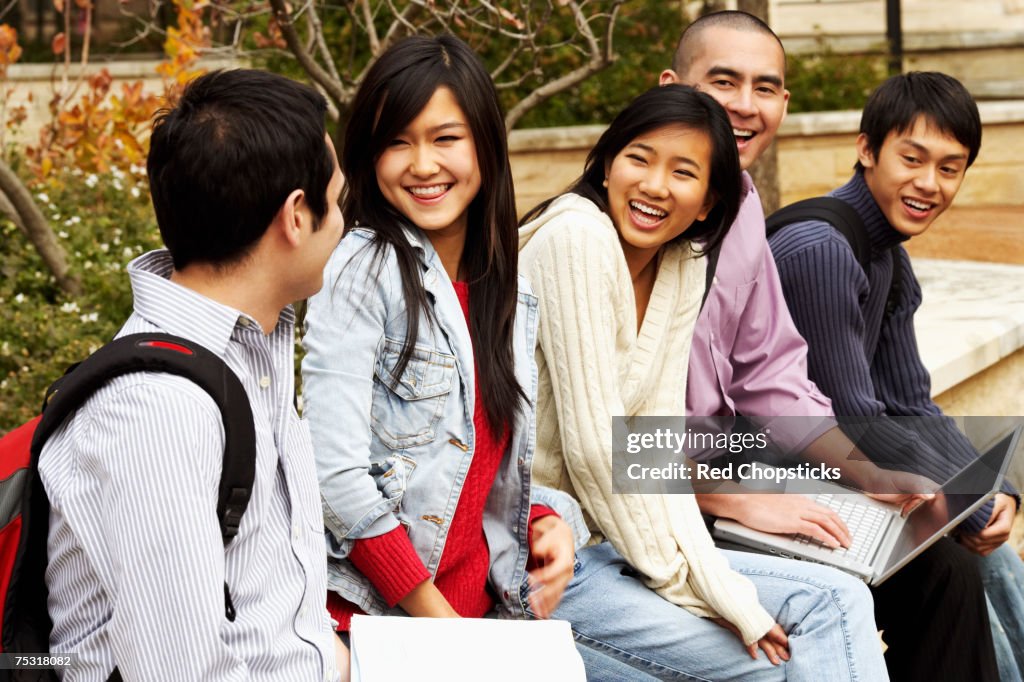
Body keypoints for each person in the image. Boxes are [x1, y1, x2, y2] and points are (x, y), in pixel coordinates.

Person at [660, 11, 1005, 681]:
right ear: (672, 85)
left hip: (731, 477)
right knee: (888, 581)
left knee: (949, 565)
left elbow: (774, 383)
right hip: (662, 502)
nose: (743, 104)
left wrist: (871, 474)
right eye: (723, 81)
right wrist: (727, 494)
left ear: (785, 103)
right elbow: (589, 439)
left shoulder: (740, 213)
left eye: (765, 87)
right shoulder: (619, 223)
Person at [518, 83, 888, 681]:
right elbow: (594, 452)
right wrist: (711, 593)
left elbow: (652, 449)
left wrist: (711, 584)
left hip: (608, 546)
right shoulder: (575, 237)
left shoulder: (682, 262)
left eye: (683, 172)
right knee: (773, 668)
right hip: (540, 556)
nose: (655, 185)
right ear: (607, 165)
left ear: (712, 202)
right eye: (638, 158)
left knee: (841, 600)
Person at [300, 35, 643, 678]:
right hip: (382, 625)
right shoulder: (361, 269)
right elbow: (335, 478)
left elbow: (473, 467)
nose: (422, 163)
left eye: (445, 138)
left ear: (486, 143)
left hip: (491, 611)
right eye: (397, 141)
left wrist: (548, 516)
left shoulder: (502, 285)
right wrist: (449, 635)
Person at [38, 69, 346, 680]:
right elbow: (175, 670)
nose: (343, 222)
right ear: (294, 216)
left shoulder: (252, 354)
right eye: (336, 201)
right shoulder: (159, 411)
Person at [766, 70, 1024, 682]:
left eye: (950, 167)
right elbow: (859, 423)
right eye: (912, 158)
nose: (929, 184)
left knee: (985, 545)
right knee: (961, 552)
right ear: (866, 148)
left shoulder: (888, 252)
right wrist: (971, 504)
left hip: (845, 472)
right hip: (777, 481)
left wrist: (998, 491)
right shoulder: (821, 249)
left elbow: (913, 404)